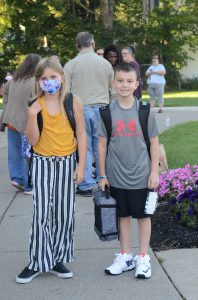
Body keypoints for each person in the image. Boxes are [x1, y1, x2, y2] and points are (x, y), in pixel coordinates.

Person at [16, 57, 87, 284]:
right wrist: (31, 115)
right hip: (43, 163)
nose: (49, 82)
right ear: (38, 81)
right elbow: (34, 141)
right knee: (42, 214)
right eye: (44, 78)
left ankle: (56, 258)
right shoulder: (35, 105)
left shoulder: (72, 101)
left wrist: (82, 165)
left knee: (64, 214)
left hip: (67, 163)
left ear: (61, 78)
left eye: (53, 77)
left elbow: (82, 135)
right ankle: (37, 261)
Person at [98, 62, 160, 279]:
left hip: (142, 176)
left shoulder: (143, 111)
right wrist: (102, 174)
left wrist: (154, 172)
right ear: (114, 83)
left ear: (137, 84)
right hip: (116, 177)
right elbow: (102, 144)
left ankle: (143, 257)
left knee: (143, 217)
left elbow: (154, 143)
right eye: (120, 81)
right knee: (122, 217)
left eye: (129, 81)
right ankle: (125, 256)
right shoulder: (106, 113)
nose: (124, 85)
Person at [64, 31, 114, 197]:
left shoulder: (71, 65)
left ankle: (85, 184)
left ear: (77, 46)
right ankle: (103, 181)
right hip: (102, 108)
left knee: (83, 146)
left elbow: (66, 93)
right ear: (93, 44)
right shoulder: (105, 64)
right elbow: (112, 90)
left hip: (81, 108)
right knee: (101, 146)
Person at [0, 54, 41, 193]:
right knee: (27, 154)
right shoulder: (34, 82)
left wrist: (7, 103)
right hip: (25, 124)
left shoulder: (15, 80)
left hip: (11, 121)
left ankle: (17, 179)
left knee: (15, 154)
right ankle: (28, 184)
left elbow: (4, 91)